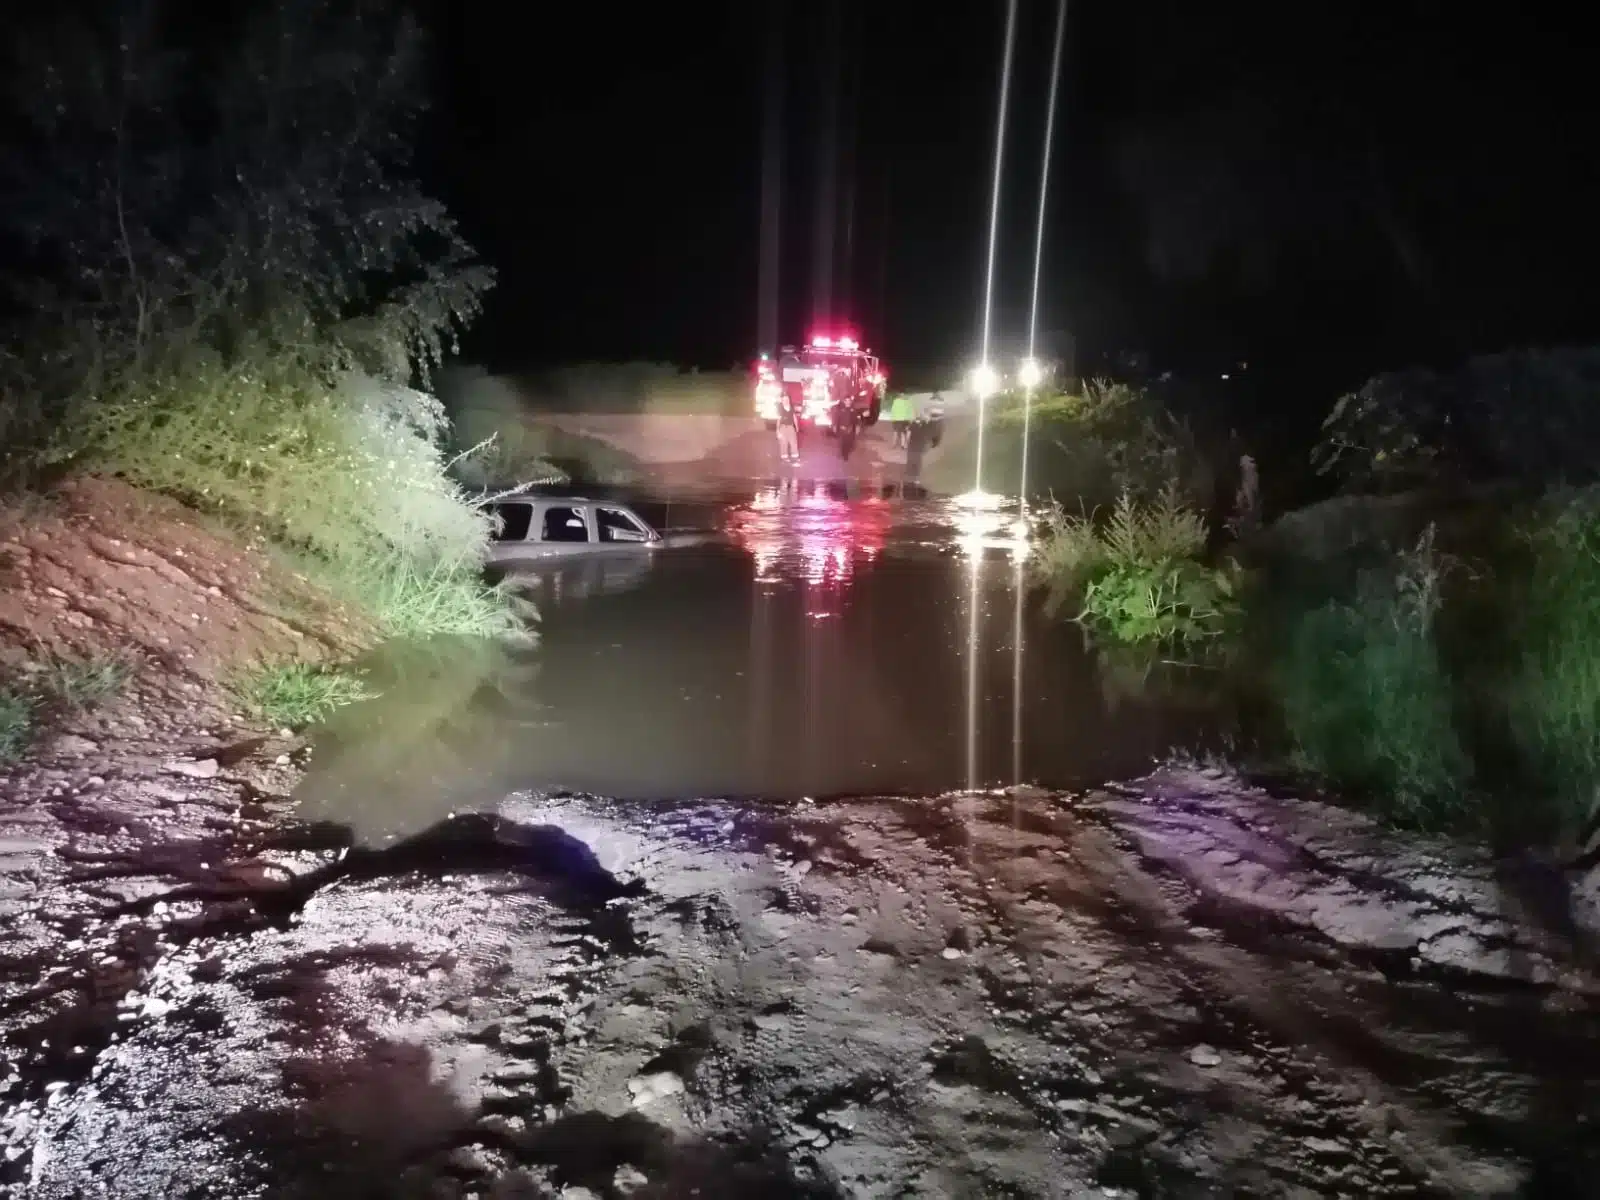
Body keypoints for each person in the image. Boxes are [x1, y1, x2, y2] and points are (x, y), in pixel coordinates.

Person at [776, 389, 800, 465]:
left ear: (789, 399)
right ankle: (784, 457)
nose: (786, 401)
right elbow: (778, 419)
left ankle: (795, 457)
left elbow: (794, 417)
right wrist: (777, 430)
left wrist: (796, 426)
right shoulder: (780, 408)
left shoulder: (791, 407)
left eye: (787, 399)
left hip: (791, 427)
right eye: (784, 399)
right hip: (783, 427)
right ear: (782, 400)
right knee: (783, 443)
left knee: (793, 442)